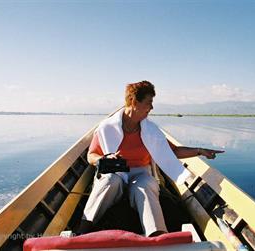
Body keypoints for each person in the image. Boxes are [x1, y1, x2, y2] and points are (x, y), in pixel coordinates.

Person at [80, 81, 224, 237]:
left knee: (146, 185)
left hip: (140, 172)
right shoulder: (106, 128)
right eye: (149, 102)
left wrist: (200, 151)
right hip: (115, 172)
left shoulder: (151, 131)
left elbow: (173, 151)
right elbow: (91, 156)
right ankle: (82, 229)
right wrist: (103, 159)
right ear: (134, 102)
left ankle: (157, 236)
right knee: (108, 181)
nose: (152, 107)